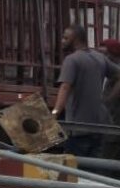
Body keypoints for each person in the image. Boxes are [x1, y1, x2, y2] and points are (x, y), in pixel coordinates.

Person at [51, 25, 120, 157]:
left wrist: (54, 113)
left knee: (76, 170)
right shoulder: (99, 57)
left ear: (75, 39)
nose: (62, 41)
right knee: (94, 170)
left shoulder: (71, 60)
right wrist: (108, 99)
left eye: (66, 38)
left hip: (78, 127)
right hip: (99, 127)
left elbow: (65, 87)